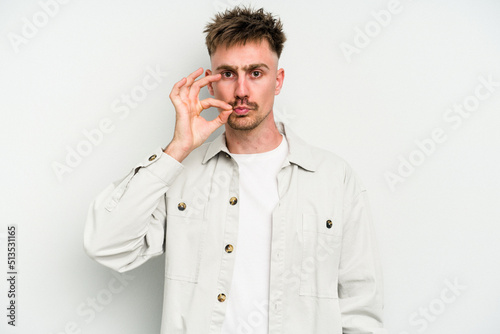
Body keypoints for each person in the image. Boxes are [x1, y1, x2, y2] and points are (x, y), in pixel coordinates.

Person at [84, 6, 387, 334]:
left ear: (278, 80)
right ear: (211, 85)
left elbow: (361, 305)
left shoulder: (333, 178)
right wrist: (178, 149)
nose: (241, 90)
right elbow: (105, 244)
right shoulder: (181, 176)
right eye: (228, 73)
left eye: (256, 73)